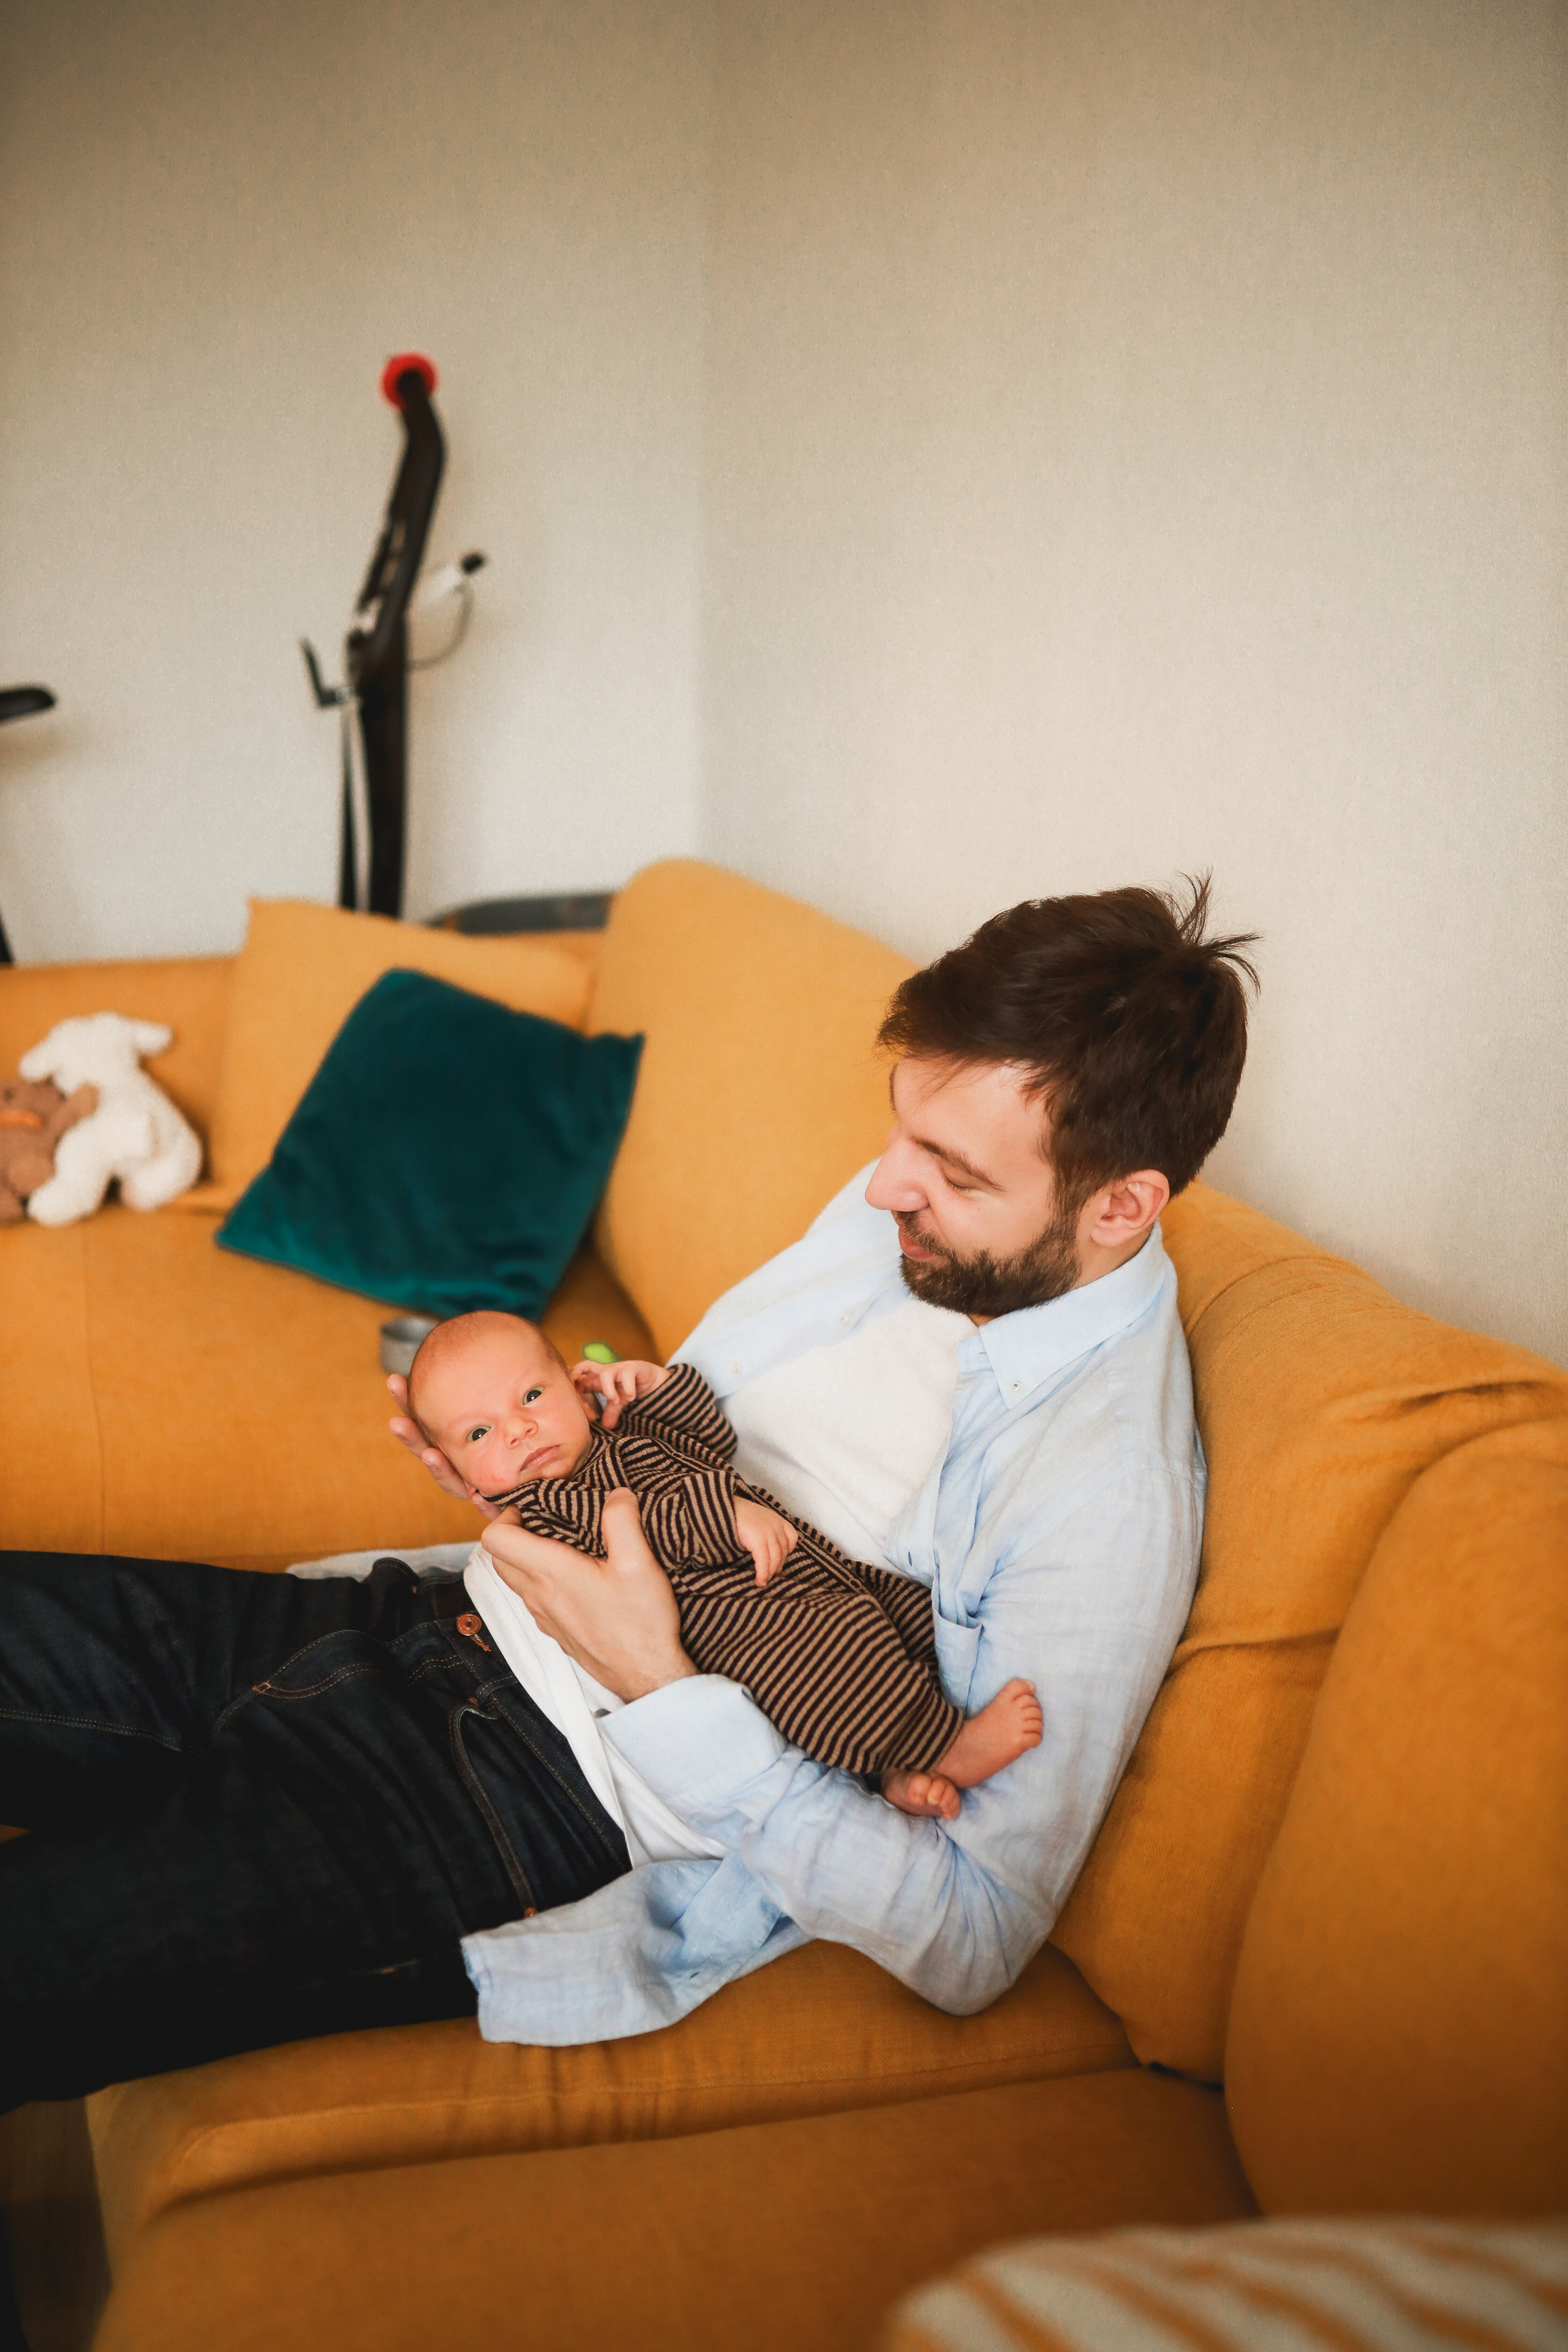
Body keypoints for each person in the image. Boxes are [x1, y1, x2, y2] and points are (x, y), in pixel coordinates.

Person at [0, 877, 1255, 2105]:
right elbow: (683, 1439)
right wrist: (530, 1463)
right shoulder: (910, 1223)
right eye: (897, 1131)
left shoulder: (1103, 1493)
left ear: (1121, 1205)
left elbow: (973, 1936)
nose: (880, 1188)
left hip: (523, 1792)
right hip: (421, 1611)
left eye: (949, 1173)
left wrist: (654, 1679)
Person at [404, 1311, 1044, 1812]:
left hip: (801, 1575)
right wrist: (724, 1515)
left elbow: (707, 1445)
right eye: (479, 1434)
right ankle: (949, 1746)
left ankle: (892, 1769)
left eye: (531, 1396)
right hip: (739, 1630)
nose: (517, 1430)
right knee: (836, 1663)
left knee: (899, 1612)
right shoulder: (546, 1511)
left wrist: (660, 1391)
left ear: (578, 1388)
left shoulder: (621, 1441)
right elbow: (630, 1535)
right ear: (467, 1480)